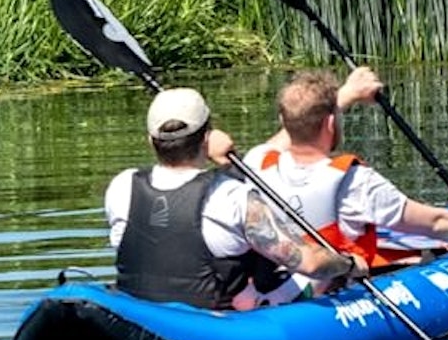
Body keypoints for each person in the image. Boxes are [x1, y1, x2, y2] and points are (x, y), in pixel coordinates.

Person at [242, 67, 448, 295]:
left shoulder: (257, 162)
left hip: (276, 289)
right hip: (333, 292)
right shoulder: (353, 181)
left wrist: (346, 96)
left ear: (283, 120)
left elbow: (290, 130)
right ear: (330, 124)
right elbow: (436, 223)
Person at [104, 87, 368, 311]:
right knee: (318, 276)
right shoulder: (232, 197)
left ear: (151, 141)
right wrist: (347, 264)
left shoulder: (122, 186)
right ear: (207, 137)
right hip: (213, 326)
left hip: (138, 313)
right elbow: (309, 263)